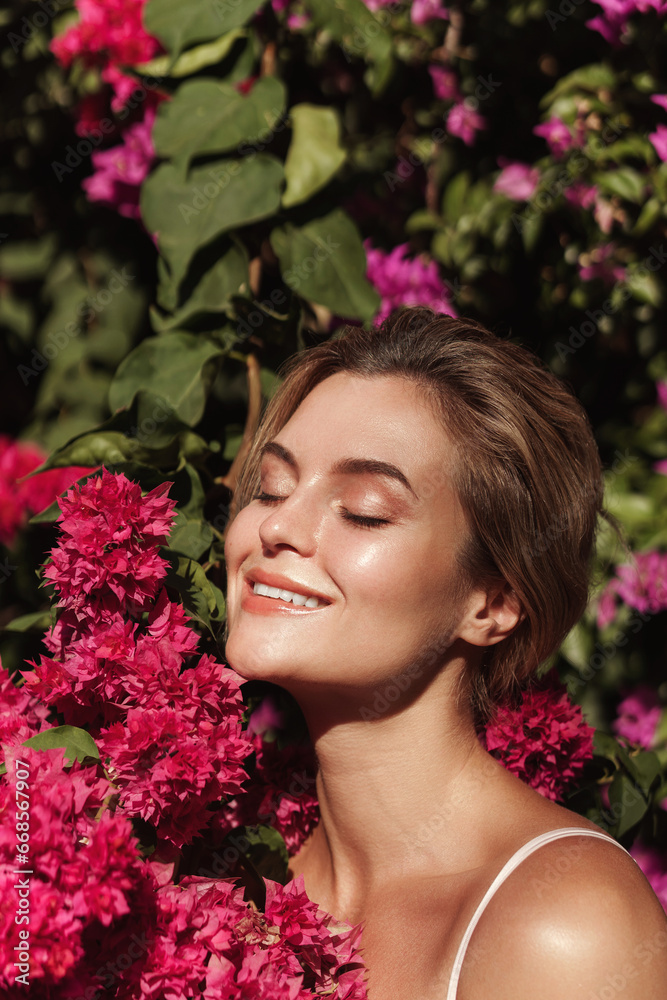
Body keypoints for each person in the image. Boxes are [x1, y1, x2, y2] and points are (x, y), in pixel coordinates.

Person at [223, 307, 667, 999]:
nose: (276, 525)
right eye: (271, 488)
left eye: (364, 510)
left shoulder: (564, 926)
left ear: (491, 603)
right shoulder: (226, 882)